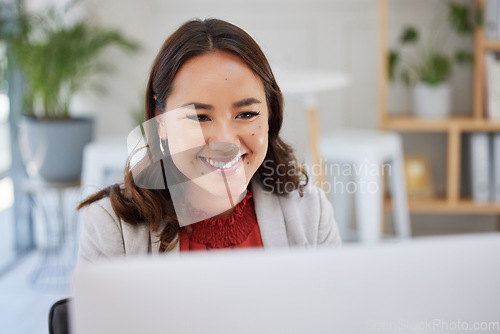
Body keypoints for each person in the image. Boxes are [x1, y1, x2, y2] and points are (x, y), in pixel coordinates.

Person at [78, 18, 341, 261]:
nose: (225, 142)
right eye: (200, 117)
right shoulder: (110, 228)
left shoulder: (311, 214)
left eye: (247, 114)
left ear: (270, 115)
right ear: (160, 120)